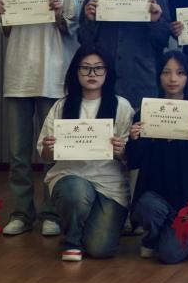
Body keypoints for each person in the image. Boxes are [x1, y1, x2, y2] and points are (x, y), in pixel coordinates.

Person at [0, 0, 77, 237]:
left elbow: (72, 30)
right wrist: (2, 14)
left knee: (52, 151)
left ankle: (51, 214)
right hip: (18, 75)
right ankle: (21, 213)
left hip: (53, 75)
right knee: (18, 153)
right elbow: (6, 30)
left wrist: (57, 14)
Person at [37, 45, 132, 261]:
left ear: (107, 72)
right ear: (75, 71)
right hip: (70, 177)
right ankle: (72, 241)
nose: (92, 74)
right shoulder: (61, 106)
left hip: (109, 185)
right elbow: (44, 154)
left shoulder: (121, 106)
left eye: (98, 68)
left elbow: (129, 156)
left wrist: (121, 151)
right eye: (85, 68)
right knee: (75, 191)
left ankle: (85, 224)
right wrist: (49, 149)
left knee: (100, 250)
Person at [127, 50, 188, 263]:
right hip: (156, 197)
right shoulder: (147, 112)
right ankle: (156, 236)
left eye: (180, 73)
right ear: (159, 76)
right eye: (166, 72)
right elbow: (133, 161)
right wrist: (135, 139)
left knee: (170, 254)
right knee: (146, 207)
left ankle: (173, 235)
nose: (173, 79)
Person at [79, 0, 171, 107]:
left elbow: (162, 40)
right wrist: (90, 20)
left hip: (142, 80)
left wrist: (155, 21)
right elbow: (84, 41)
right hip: (105, 81)